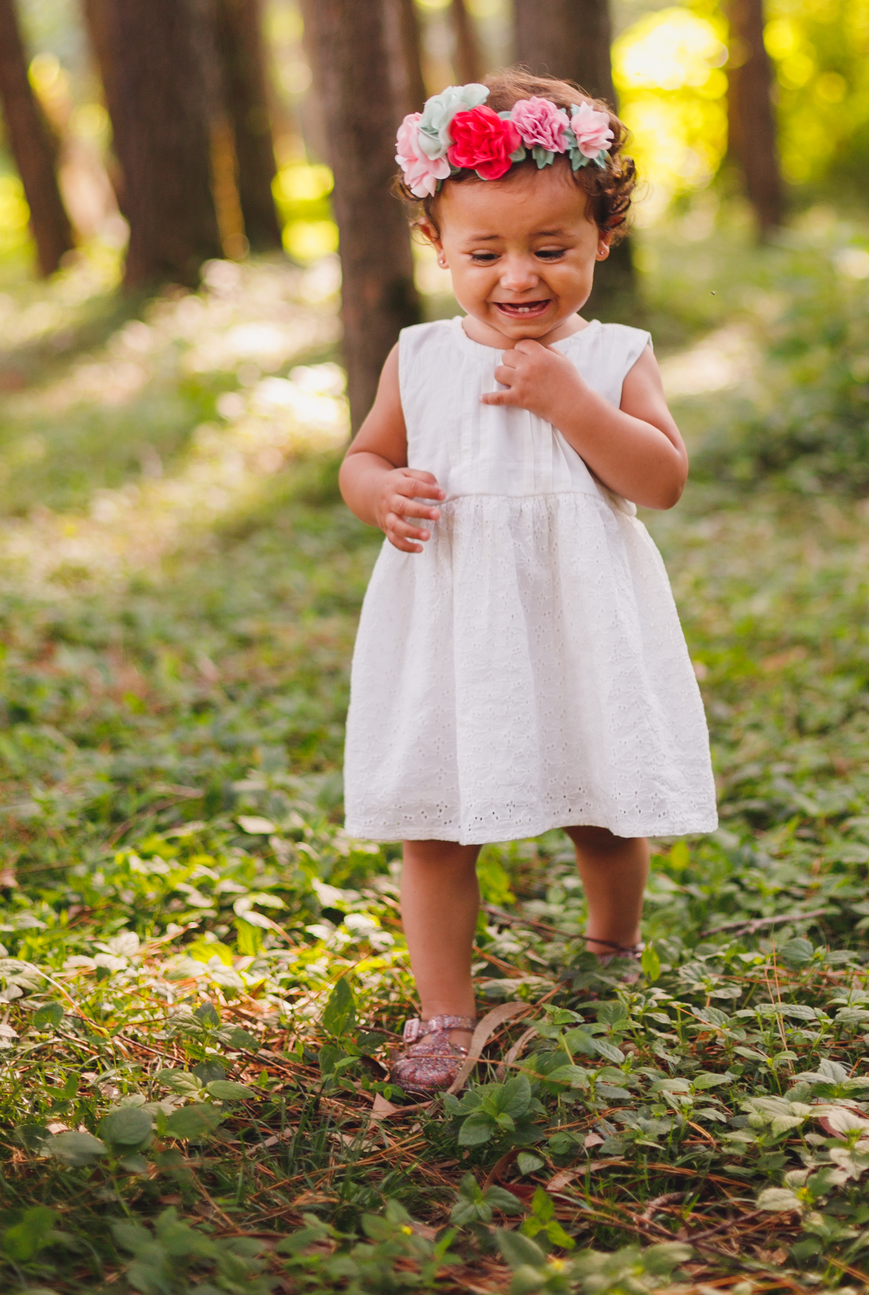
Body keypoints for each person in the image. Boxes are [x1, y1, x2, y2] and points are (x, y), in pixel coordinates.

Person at [339, 70, 718, 1094]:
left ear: (602, 239)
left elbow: (663, 480)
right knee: (435, 818)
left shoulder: (611, 356)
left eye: (552, 249)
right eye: (486, 253)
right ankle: (444, 1013)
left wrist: (568, 403)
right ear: (437, 248)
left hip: (578, 616)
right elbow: (362, 457)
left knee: (603, 799)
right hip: (455, 623)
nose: (520, 278)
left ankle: (610, 949)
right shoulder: (417, 358)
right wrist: (379, 492)